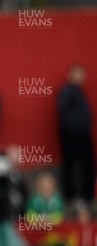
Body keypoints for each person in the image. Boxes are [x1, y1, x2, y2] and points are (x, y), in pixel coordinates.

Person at [57, 64, 94, 204]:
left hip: (82, 134)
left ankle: (87, 196)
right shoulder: (66, 92)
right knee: (71, 166)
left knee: (87, 166)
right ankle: (71, 197)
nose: (81, 77)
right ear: (70, 75)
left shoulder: (79, 92)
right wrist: (76, 129)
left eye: (82, 73)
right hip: (73, 136)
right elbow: (64, 114)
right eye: (77, 73)